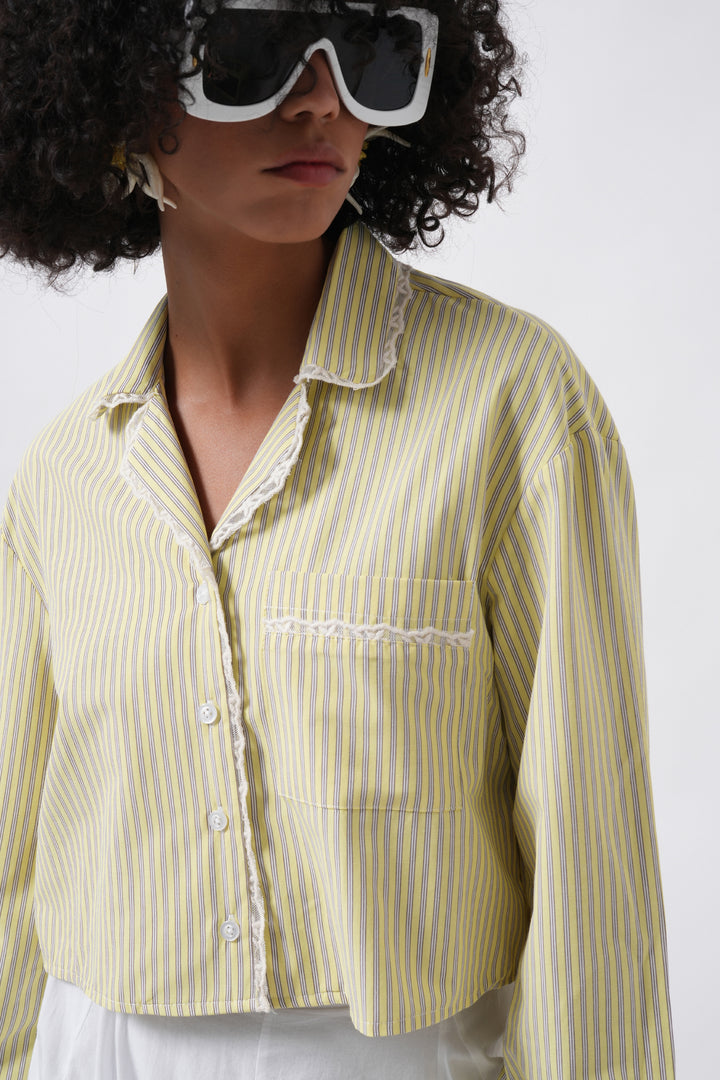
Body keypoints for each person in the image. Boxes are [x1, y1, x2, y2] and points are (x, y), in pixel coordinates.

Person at [0, 1, 675, 1077]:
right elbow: (14, 868)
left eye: (370, 53)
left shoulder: (513, 407)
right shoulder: (62, 478)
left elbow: (591, 859)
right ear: (114, 98)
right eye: (253, 52)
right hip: (92, 1044)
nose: (323, 100)